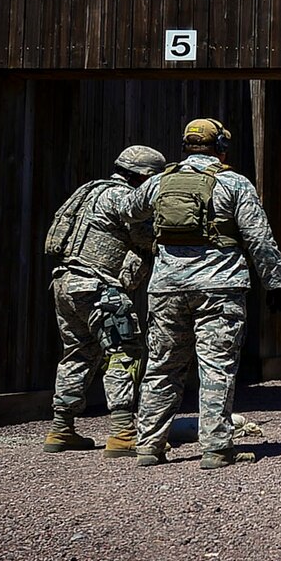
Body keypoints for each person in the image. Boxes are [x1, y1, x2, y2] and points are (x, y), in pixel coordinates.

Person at [124, 118, 281, 470]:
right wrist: (275, 282)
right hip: (220, 287)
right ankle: (216, 449)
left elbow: (128, 211)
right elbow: (259, 237)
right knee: (217, 367)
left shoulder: (159, 183)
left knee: (162, 366)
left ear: (184, 146)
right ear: (222, 148)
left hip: (166, 288)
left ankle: (149, 446)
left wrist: (152, 242)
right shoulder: (233, 184)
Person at [41, 145, 165, 455]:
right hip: (99, 288)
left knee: (78, 353)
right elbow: (145, 237)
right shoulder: (122, 198)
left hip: (65, 283)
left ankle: (61, 429)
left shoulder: (89, 190)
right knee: (125, 351)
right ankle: (123, 432)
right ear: (144, 177)